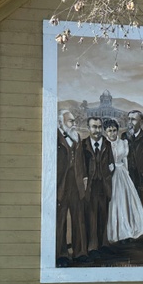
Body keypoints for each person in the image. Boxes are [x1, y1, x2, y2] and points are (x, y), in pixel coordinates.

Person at [104, 119, 143, 242]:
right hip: (110, 175)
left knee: (126, 201)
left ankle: (128, 230)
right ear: (105, 132)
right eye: (109, 131)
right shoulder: (104, 144)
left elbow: (125, 160)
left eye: (114, 130)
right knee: (115, 202)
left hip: (122, 174)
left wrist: (126, 172)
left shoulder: (123, 143)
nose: (112, 133)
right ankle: (116, 233)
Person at [56, 110, 86, 267]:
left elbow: (80, 162)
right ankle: (61, 254)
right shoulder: (55, 137)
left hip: (76, 184)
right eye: (70, 121)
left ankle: (80, 252)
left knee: (78, 218)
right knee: (60, 220)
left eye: (74, 121)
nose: (74, 124)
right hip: (61, 185)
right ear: (61, 122)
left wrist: (83, 180)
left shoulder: (77, 136)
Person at [82, 116, 115, 256]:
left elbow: (112, 164)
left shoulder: (107, 144)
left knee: (104, 214)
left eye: (99, 127)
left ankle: (104, 244)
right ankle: (92, 247)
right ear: (88, 128)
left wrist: (107, 175)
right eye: (94, 127)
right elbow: (81, 165)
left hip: (103, 185)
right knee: (91, 216)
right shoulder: (83, 145)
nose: (97, 130)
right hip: (90, 186)